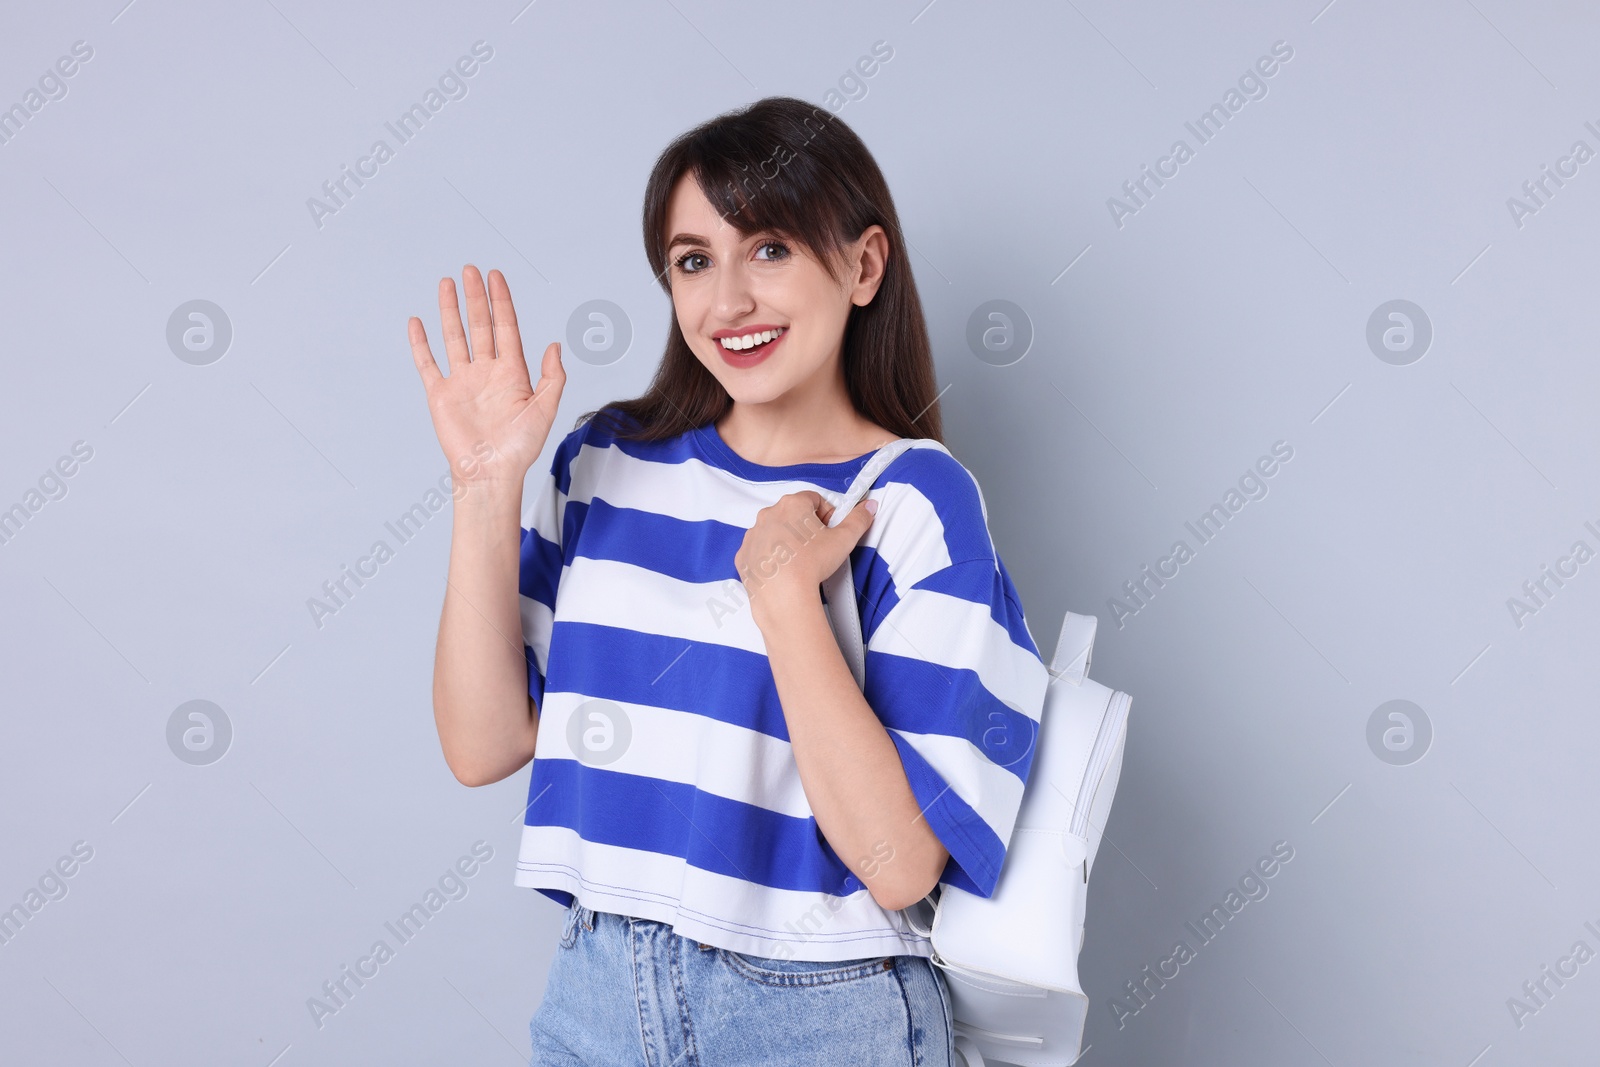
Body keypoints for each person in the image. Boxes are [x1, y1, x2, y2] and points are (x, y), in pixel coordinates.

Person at [408, 96, 1049, 1066]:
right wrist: (485, 487)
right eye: (693, 259)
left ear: (864, 265)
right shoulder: (606, 461)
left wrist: (787, 601)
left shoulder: (913, 499)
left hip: (818, 1008)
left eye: (770, 248)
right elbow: (483, 740)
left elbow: (900, 862)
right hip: (599, 988)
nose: (726, 302)